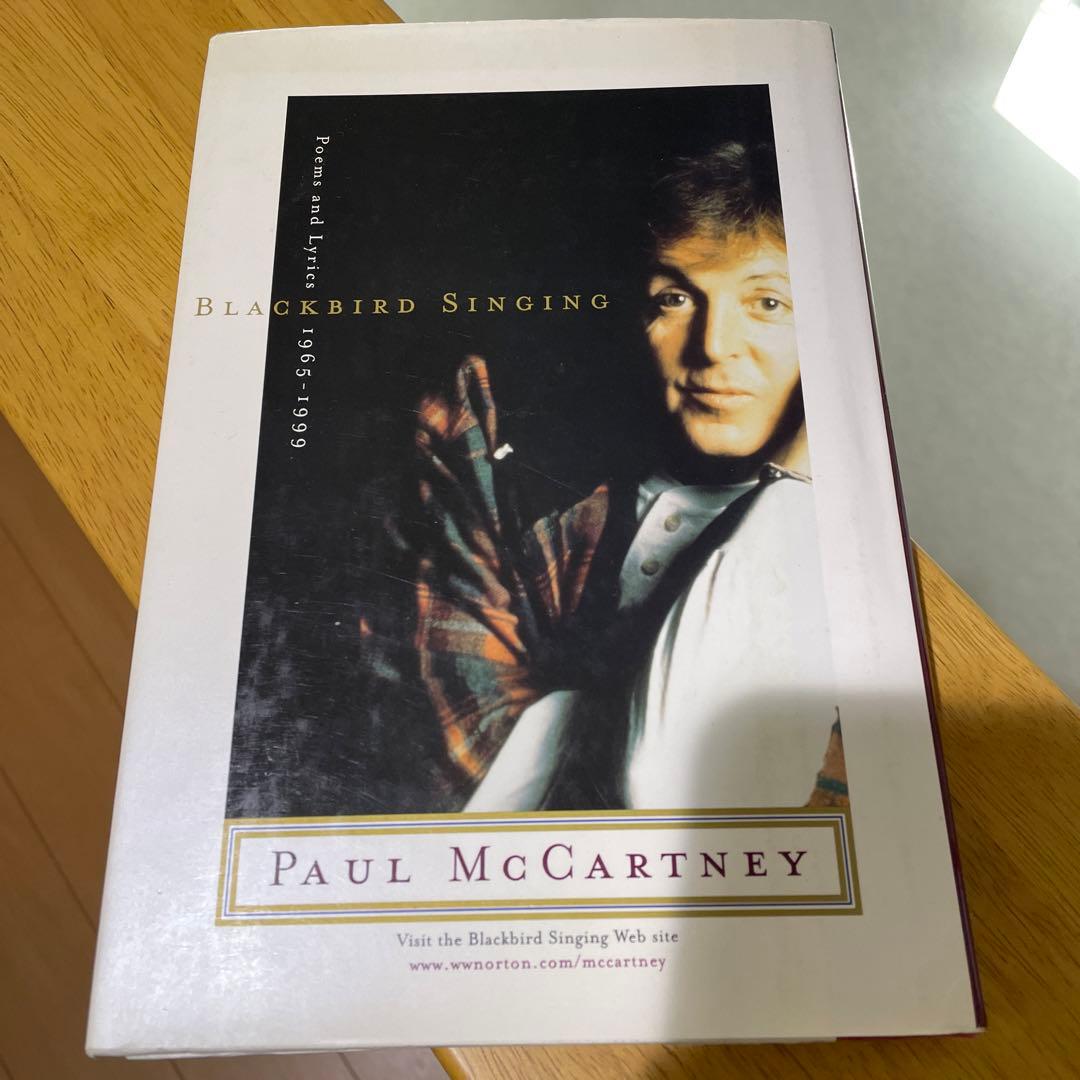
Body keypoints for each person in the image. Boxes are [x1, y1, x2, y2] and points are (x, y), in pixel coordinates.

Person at [407, 141, 847, 812]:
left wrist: (795, 491)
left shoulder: (861, 537)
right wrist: (600, 723)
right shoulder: (493, 436)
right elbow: (453, 770)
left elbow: (694, 802)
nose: (713, 345)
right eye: (675, 297)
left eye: (768, 303)